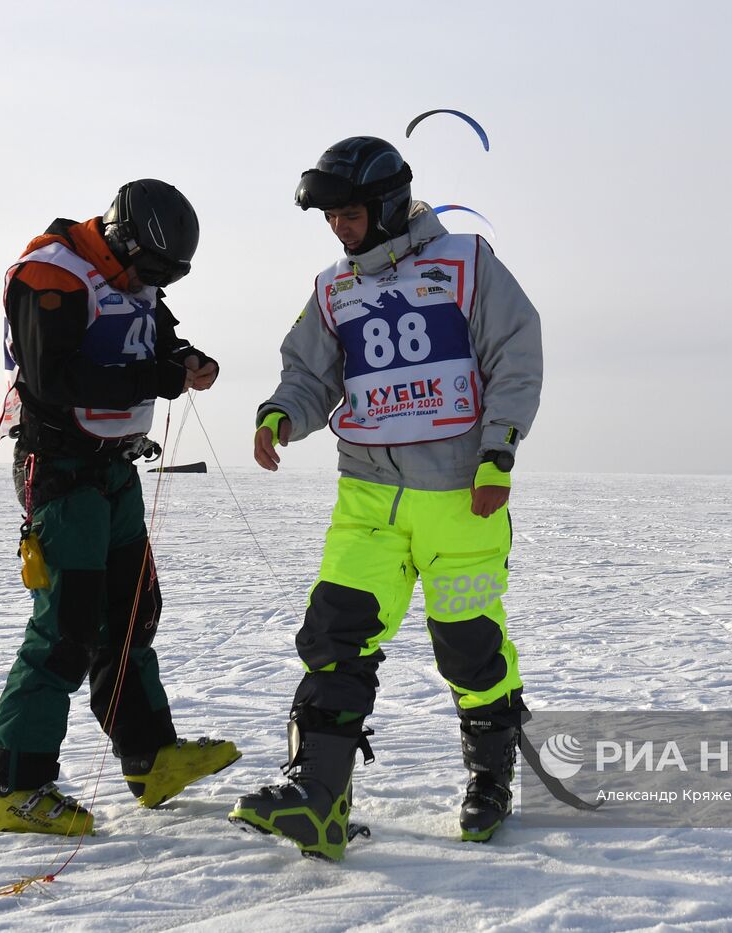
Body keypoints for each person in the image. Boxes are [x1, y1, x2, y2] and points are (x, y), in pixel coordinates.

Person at [229, 137, 543, 860]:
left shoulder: (467, 264)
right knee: (335, 634)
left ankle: (489, 777)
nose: (338, 228)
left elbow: (514, 355)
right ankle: (318, 796)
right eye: (330, 217)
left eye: (349, 214)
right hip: (367, 496)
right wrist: (282, 411)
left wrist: (499, 449)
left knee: (469, 650)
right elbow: (310, 373)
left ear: (389, 204)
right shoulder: (334, 289)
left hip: (464, 498)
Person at [0, 180, 240, 835]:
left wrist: (187, 359)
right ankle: (15, 785)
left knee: (131, 615)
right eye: (148, 271)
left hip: (115, 467)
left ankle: (149, 756)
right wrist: (156, 377)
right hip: (62, 469)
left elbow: (158, 341)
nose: (150, 283)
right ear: (124, 239)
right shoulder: (52, 274)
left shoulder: (138, 274)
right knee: (67, 627)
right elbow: (53, 376)